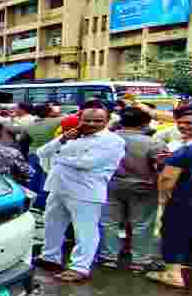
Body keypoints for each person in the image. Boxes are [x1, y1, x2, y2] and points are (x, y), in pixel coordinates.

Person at [34, 107, 125, 283]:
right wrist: (62, 139)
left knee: (85, 231)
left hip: (85, 192)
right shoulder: (71, 135)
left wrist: (58, 158)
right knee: (52, 225)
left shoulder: (113, 141)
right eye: (87, 120)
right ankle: (49, 258)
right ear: (80, 119)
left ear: (107, 121)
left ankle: (80, 267)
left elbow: (88, 163)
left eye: (98, 121)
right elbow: (41, 152)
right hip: (58, 187)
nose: (91, 124)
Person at [147, 117, 192, 290]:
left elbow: (167, 178)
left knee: (176, 236)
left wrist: (164, 200)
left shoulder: (189, 150)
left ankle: (173, 274)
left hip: (185, 203)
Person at [100, 107, 167, 270]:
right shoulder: (153, 143)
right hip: (143, 187)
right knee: (142, 223)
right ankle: (140, 261)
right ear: (145, 123)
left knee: (110, 222)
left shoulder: (107, 139)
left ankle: (108, 257)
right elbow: (162, 165)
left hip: (110, 185)